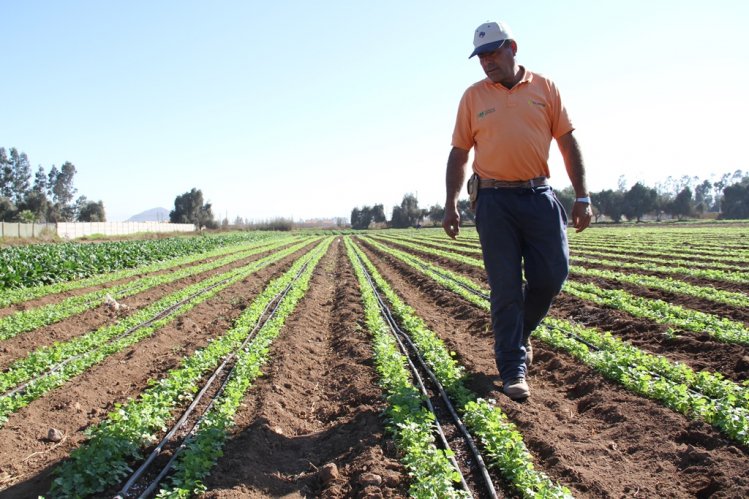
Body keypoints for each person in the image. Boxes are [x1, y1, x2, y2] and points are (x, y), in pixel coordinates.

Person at [442, 20, 592, 401]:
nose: (487, 62)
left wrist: (582, 196)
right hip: (493, 201)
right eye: (481, 56)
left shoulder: (545, 88)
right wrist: (451, 203)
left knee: (553, 274)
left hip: (539, 195)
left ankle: (518, 332)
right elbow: (459, 153)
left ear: (512, 47)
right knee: (505, 286)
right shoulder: (473, 97)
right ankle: (513, 368)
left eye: (493, 52)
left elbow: (567, 142)